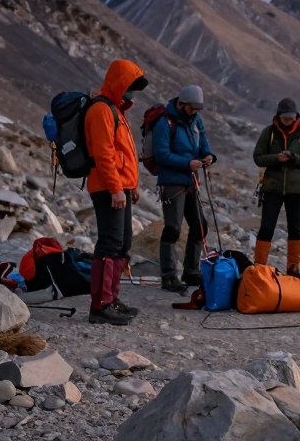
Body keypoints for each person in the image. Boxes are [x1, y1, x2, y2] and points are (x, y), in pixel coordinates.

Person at [84, 59, 149, 325]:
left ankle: (112, 299)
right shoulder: (101, 110)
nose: (131, 92)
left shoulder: (115, 110)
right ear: (118, 83)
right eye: (129, 86)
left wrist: (130, 186)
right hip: (107, 188)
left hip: (120, 188)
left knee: (123, 243)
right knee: (109, 244)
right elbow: (104, 154)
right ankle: (100, 306)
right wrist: (115, 188)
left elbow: (124, 155)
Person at [152, 84, 215, 293]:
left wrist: (209, 156)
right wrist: (187, 164)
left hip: (190, 181)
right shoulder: (165, 123)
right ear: (182, 104)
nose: (195, 112)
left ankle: (191, 270)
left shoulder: (195, 121)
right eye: (192, 108)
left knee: (200, 225)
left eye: (198, 109)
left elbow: (204, 145)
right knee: (173, 228)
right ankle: (168, 276)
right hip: (171, 183)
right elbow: (161, 155)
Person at [252, 97, 300, 277]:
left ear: (296, 117)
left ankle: (293, 268)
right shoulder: (269, 132)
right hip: (272, 188)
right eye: (285, 117)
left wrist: (294, 158)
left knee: (295, 228)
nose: (288, 120)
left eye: (291, 117)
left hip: (296, 190)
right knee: (267, 227)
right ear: (278, 116)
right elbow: (258, 157)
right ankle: (259, 267)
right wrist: (275, 158)